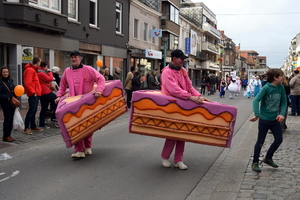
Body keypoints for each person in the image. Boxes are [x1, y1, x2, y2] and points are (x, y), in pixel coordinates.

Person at [160, 49, 209, 170]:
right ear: (174, 58)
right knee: (172, 133)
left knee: (183, 133)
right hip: (171, 106)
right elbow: (174, 90)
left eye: (183, 59)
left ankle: (178, 160)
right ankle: (165, 157)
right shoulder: (166, 72)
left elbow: (189, 87)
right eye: (181, 59)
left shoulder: (183, 71)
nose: (183, 61)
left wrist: (198, 96)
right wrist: (190, 97)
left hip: (184, 105)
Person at [55, 50, 105, 158]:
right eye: (72, 57)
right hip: (73, 103)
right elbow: (62, 84)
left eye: (75, 57)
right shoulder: (67, 71)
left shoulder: (88, 69)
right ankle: (79, 150)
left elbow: (101, 79)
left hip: (87, 102)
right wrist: (59, 96)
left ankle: (87, 147)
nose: (73, 59)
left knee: (87, 126)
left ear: (80, 58)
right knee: (75, 126)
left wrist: (99, 90)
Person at [250, 68, 287, 172]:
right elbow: (256, 100)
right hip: (264, 119)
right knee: (260, 141)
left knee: (279, 139)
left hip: (275, 119)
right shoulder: (266, 88)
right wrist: (257, 114)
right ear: (275, 78)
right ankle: (255, 162)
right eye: (281, 76)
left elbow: (284, 102)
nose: (282, 77)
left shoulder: (281, 87)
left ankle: (268, 157)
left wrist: (281, 114)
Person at [23, 56, 43, 135]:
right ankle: (26, 127)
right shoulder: (30, 70)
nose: (40, 63)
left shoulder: (33, 70)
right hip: (33, 94)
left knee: (34, 111)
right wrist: (33, 92)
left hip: (36, 93)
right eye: (40, 62)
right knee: (31, 111)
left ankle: (33, 126)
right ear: (37, 62)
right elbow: (27, 83)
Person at [37, 62, 57, 128]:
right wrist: (49, 72)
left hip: (43, 93)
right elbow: (50, 79)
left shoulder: (39, 72)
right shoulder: (41, 73)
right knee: (57, 100)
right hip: (46, 92)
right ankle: (53, 116)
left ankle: (42, 123)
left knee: (44, 108)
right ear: (43, 67)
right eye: (46, 67)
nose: (47, 68)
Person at [0, 67, 16, 142]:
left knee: (11, 119)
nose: (5, 73)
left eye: (6, 72)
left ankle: (9, 134)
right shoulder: (1, 82)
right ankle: (5, 135)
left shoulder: (11, 81)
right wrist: (7, 98)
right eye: (4, 72)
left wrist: (16, 97)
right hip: (5, 103)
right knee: (7, 119)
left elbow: (14, 91)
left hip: (12, 103)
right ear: (1, 73)